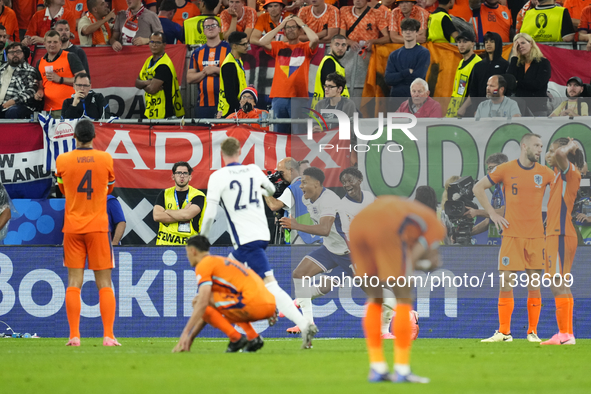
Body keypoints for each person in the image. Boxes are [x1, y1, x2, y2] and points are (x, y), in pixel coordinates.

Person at [200, 137, 319, 349]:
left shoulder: (218, 176)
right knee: (225, 282)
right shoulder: (253, 170)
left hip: (246, 240)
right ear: (239, 152)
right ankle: (246, 335)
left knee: (269, 285)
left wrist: (203, 240)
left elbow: (209, 215)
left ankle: (300, 323)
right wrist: (260, 189)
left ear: (222, 154)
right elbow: (272, 191)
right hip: (260, 235)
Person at [349, 195, 445, 383]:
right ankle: (402, 370)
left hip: (357, 225)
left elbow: (407, 255)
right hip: (385, 226)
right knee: (403, 294)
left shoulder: (411, 215)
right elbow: (412, 260)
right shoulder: (437, 228)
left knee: (375, 298)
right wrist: (429, 264)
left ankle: (377, 368)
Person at [473, 133, 554, 343]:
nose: (540, 149)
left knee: (534, 283)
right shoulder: (506, 169)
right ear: (524, 146)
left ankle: (532, 332)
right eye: (536, 145)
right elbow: (478, 188)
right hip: (511, 234)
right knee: (506, 281)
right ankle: (504, 332)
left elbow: (561, 196)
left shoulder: (545, 173)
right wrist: (492, 213)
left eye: (542, 146)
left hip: (536, 236)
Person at [278, 167, 367, 333]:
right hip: (330, 249)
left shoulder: (329, 200)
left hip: (350, 253)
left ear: (317, 184)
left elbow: (325, 228)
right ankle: (307, 324)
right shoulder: (307, 199)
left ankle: (409, 314)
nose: (301, 186)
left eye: (304, 182)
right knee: (299, 274)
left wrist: (296, 226)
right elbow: (324, 230)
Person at [54, 119, 119, 347]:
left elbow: (61, 188)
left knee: (74, 281)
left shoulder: (62, 160)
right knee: (104, 283)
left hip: (72, 227)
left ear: (74, 137)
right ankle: (109, 336)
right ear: (94, 137)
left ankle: (74, 336)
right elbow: (109, 187)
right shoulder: (105, 159)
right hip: (99, 227)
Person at [172, 236, 274, 353]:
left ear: (193, 251)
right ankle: (253, 338)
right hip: (269, 304)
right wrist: (190, 339)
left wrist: (185, 333)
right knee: (209, 302)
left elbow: (203, 303)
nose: (187, 257)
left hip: (254, 304)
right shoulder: (220, 262)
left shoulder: (204, 264)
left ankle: (236, 338)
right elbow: (208, 308)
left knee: (199, 300)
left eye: (187, 253)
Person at [541, 138, 584, 345]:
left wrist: (570, 146)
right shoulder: (561, 174)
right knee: (562, 283)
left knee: (556, 283)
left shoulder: (569, 171)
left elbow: (559, 155)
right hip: (560, 233)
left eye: (551, 150)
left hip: (560, 234)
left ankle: (565, 334)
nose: (548, 155)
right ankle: (566, 333)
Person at [258, 15, 318, 134]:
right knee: (279, 134)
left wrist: (302, 23)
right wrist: (280, 25)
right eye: (288, 27)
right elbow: (262, 41)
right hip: (279, 97)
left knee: (298, 135)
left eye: (294, 27)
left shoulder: (305, 47)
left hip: (299, 98)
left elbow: (315, 39)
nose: (290, 29)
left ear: (300, 30)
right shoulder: (278, 46)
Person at [263, 157, 321, 245]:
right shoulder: (310, 185)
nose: (280, 177)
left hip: (301, 240)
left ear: (290, 170)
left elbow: (273, 206)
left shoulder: (294, 188)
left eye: (281, 172)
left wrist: (264, 188)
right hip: (315, 238)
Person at [153, 161, 207, 246]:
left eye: (185, 173)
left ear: (190, 177)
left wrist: (167, 211)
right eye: (178, 173)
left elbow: (186, 215)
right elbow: (157, 216)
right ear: (173, 176)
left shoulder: (198, 195)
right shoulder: (164, 194)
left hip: (190, 247)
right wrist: (183, 212)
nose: (182, 176)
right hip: (165, 245)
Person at [187, 18, 230, 119]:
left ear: (219, 29)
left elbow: (237, 73)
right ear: (203, 31)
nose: (210, 28)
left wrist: (216, 70)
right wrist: (205, 72)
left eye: (213, 25)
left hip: (226, 103)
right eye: (207, 26)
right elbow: (189, 78)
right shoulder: (197, 52)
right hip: (203, 105)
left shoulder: (229, 49)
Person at [36, 30, 85, 118]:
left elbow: (83, 80)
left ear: (60, 43)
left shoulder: (70, 56)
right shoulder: (40, 63)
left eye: (55, 42)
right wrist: (39, 92)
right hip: (48, 110)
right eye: (49, 42)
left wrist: (60, 79)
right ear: (44, 44)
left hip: (69, 107)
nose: (52, 44)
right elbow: (40, 85)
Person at [136, 31, 185, 119]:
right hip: (151, 111)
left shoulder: (164, 64)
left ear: (164, 45)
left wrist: (143, 84)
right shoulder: (149, 60)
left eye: (158, 42)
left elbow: (152, 90)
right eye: (152, 42)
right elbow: (136, 82)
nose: (154, 45)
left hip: (164, 113)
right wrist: (149, 82)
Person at [506, 33, 551, 116]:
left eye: (523, 43)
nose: (520, 46)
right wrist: (514, 57)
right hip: (519, 108)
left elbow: (537, 84)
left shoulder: (543, 63)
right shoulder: (518, 63)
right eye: (517, 45)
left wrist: (517, 83)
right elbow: (509, 81)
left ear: (531, 43)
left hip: (537, 108)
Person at [467, 153, 507, 245]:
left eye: (492, 168)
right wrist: (469, 233)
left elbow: (505, 212)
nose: (489, 172)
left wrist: (477, 212)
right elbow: (491, 218)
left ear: (504, 166)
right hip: (493, 246)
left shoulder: (508, 186)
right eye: (488, 169)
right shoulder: (497, 188)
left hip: (506, 244)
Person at [385, 18, 430, 99]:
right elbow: (388, 79)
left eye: (412, 30)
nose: (408, 32)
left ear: (417, 32)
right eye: (405, 30)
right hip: (396, 98)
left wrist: (397, 77)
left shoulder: (423, 53)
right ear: (401, 32)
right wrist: (406, 72)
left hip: (415, 99)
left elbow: (418, 77)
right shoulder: (394, 55)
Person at [467, 31, 509, 107]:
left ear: (498, 43)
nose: (488, 44)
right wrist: (476, 108)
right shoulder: (478, 65)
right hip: (481, 107)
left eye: (492, 41)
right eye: (486, 42)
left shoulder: (505, 65)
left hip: (500, 108)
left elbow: (507, 89)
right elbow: (473, 89)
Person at [0, 42, 41, 119]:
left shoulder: (30, 70)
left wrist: (13, 101)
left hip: (20, 105)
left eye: (18, 52)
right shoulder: (1, 69)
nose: (15, 54)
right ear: (7, 55)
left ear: (23, 54)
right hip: (1, 105)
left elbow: (31, 90)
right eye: (12, 52)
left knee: (13, 111)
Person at [447, 30, 481, 118]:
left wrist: (463, 107)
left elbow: (475, 90)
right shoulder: (461, 62)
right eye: (459, 42)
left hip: (468, 110)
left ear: (472, 44)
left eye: (465, 42)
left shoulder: (477, 63)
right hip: (455, 108)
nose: (461, 45)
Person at [311, 34, 349, 109]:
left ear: (346, 47)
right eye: (337, 44)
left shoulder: (332, 62)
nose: (340, 48)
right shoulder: (329, 63)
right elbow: (330, 91)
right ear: (331, 46)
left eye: (343, 45)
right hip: (328, 110)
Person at [217, 31, 248, 118]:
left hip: (236, 110)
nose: (247, 46)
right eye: (244, 44)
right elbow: (230, 95)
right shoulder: (229, 65)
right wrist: (239, 110)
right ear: (234, 46)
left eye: (247, 43)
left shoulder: (238, 61)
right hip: (230, 111)